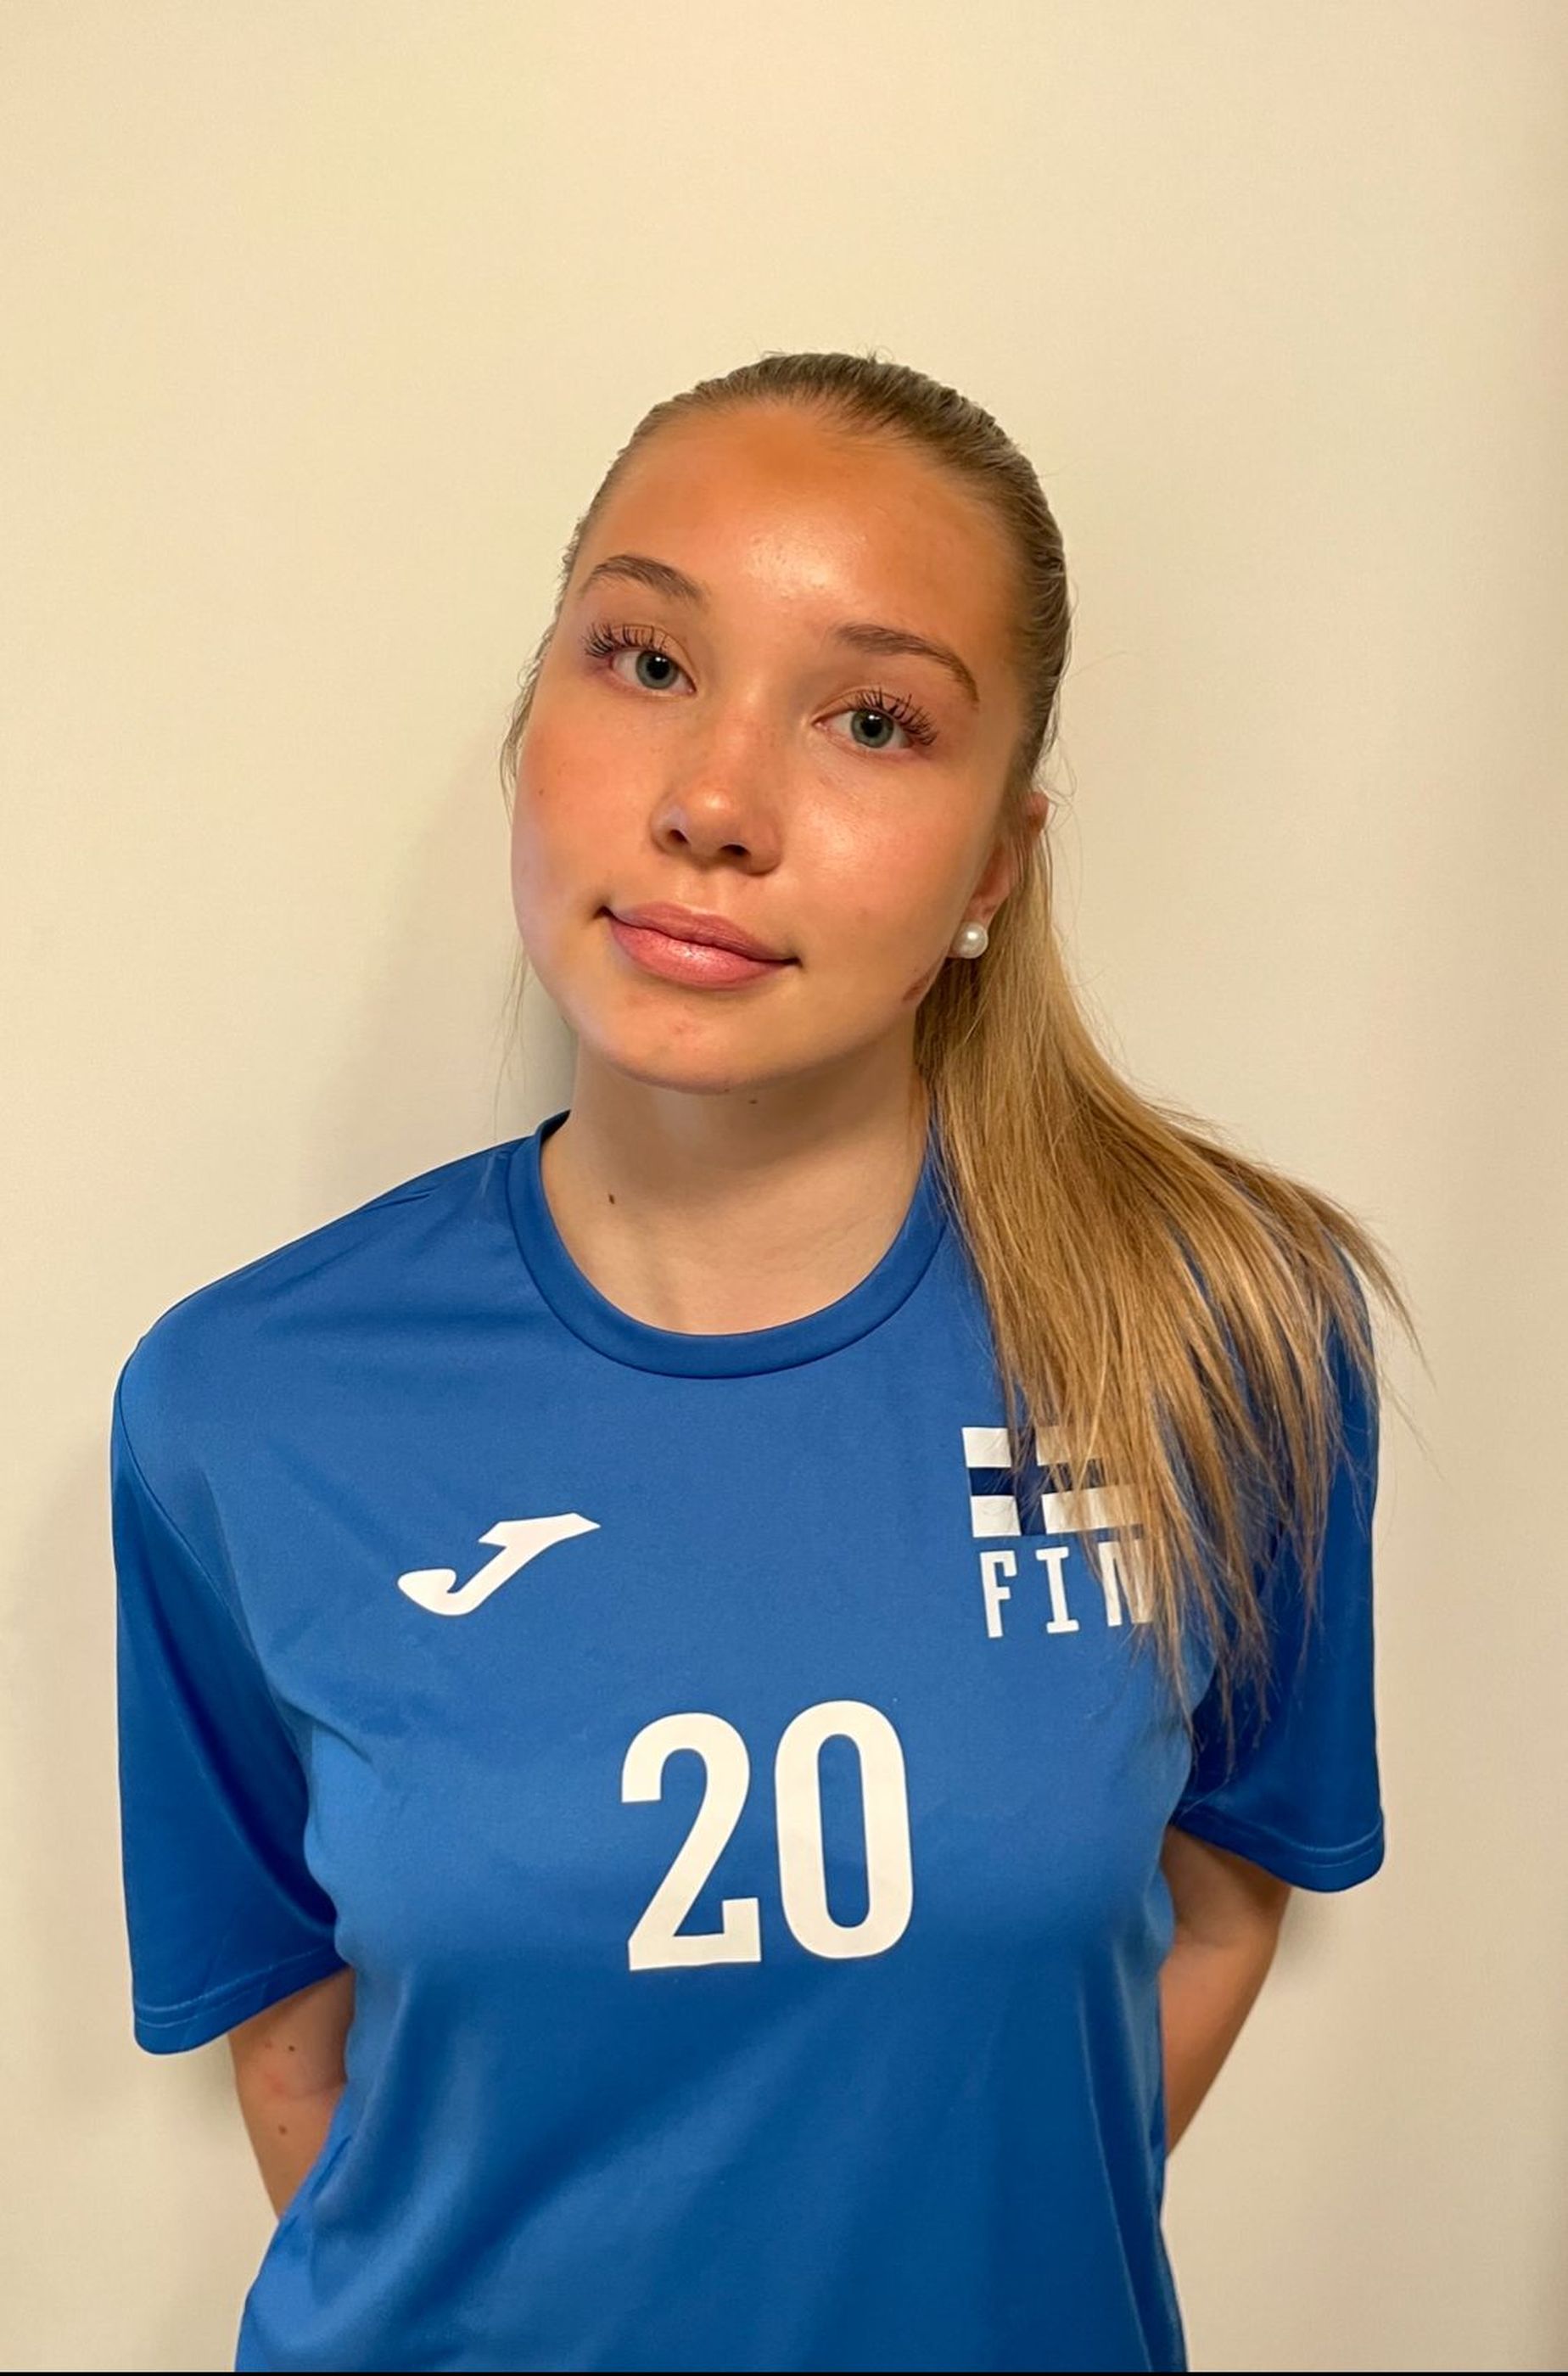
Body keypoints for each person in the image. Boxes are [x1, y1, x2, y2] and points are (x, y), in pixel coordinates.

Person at [109, 348, 1415, 2375]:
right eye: (645, 660)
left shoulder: (1223, 1335)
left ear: (997, 864)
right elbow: (290, 2025)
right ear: (532, 717)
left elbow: (1235, 1884)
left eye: (875, 720)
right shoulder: (239, 1403)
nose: (714, 804)